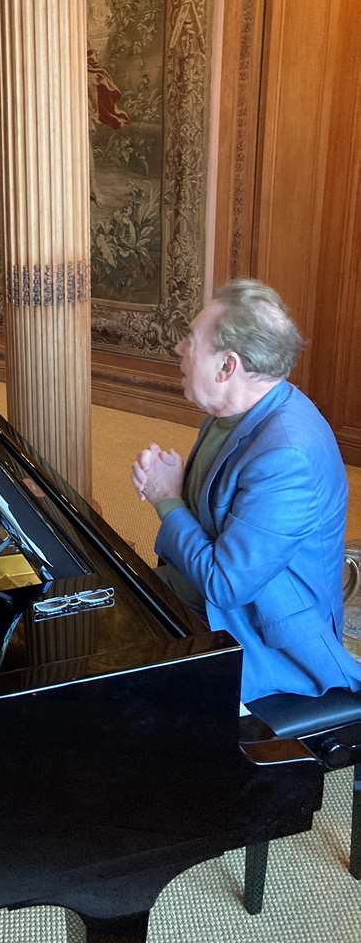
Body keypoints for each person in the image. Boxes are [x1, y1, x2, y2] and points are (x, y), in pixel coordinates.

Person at [131, 279, 361, 703]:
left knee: (132, 693)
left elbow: (225, 584)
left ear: (227, 367)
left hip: (266, 637)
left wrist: (167, 499)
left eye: (191, 342)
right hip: (223, 600)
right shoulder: (229, 413)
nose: (179, 350)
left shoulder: (286, 456)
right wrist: (184, 484)